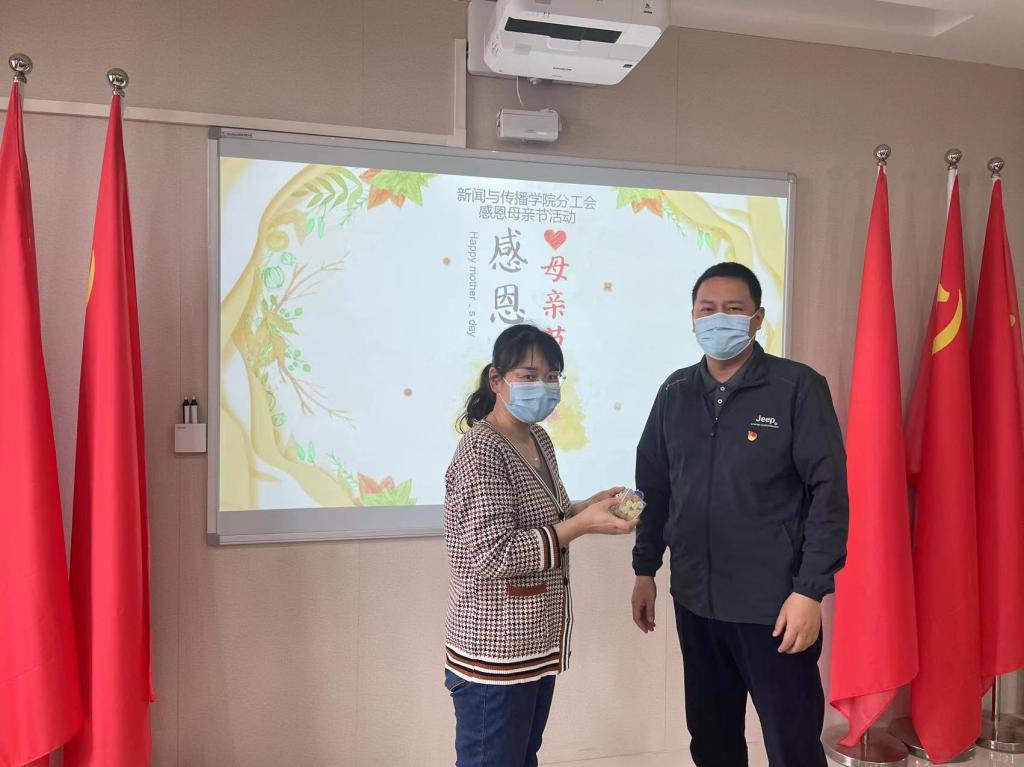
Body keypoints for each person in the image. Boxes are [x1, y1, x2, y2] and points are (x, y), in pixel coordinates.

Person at [631, 263, 848, 767]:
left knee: (792, 745)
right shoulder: (675, 393)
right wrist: (645, 568)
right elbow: (654, 487)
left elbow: (829, 493)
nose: (718, 319)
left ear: (757, 318)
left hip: (774, 607)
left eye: (733, 309)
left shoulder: (796, 388)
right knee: (712, 742)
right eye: (707, 309)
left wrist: (809, 590)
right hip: (696, 601)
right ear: (692, 318)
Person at [444, 324, 637, 767]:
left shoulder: (537, 437)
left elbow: (552, 515)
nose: (543, 387)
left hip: (534, 645)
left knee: (521, 758)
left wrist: (591, 506)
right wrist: (582, 525)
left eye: (552, 377)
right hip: (494, 654)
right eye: (529, 376)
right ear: (496, 380)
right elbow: (494, 554)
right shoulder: (481, 450)